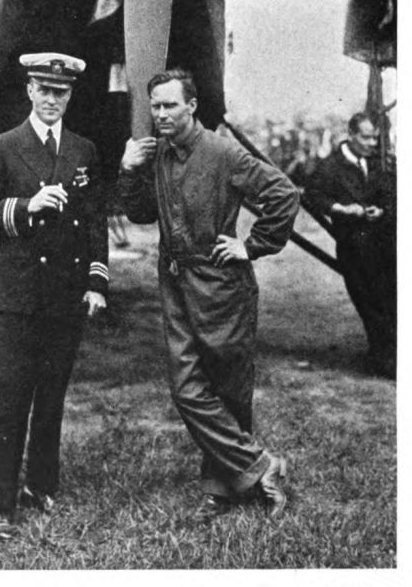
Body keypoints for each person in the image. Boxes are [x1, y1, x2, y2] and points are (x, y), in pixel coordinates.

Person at [118, 69, 299, 517]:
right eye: (155, 106)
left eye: (170, 105)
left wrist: (251, 246)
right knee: (187, 389)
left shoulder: (223, 152)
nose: (161, 114)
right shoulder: (159, 152)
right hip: (176, 281)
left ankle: (222, 488)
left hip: (221, 285)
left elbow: (282, 194)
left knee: (228, 388)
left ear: (192, 105)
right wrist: (129, 169)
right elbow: (140, 212)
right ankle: (262, 466)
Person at [0, 52, 108, 539]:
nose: (52, 99)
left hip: (64, 296)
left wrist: (96, 282)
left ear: (70, 95)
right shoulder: (2, 146)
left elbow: (94, 220)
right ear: (29, 90)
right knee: (11, 400)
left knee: (51, 398)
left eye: (60, 92)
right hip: (19, 296)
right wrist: (28, 205)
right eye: (44, 90)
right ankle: (0, 502)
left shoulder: (84, 150)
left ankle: (41, 485)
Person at [304, 113, 396, 379]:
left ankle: (391, 354)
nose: (372, 143)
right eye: (366, 138)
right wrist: (341, 209)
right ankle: (384, 358)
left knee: (391, 298)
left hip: (384, 243)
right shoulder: (330, 166)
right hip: (354, 247)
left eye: (375, 138)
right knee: (369, 303)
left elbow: (393, 194)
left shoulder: (379, 163)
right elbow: (313, 195)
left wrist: (382, 210)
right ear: (351, 135)